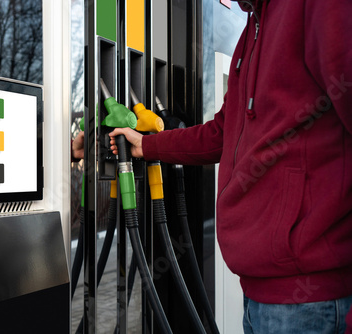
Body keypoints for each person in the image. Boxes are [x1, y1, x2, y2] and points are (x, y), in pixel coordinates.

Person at [109, 0, 352, 333]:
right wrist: (146, 145)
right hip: (260, 295)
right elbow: (222, 132)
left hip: (312, 300)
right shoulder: (253, 28)